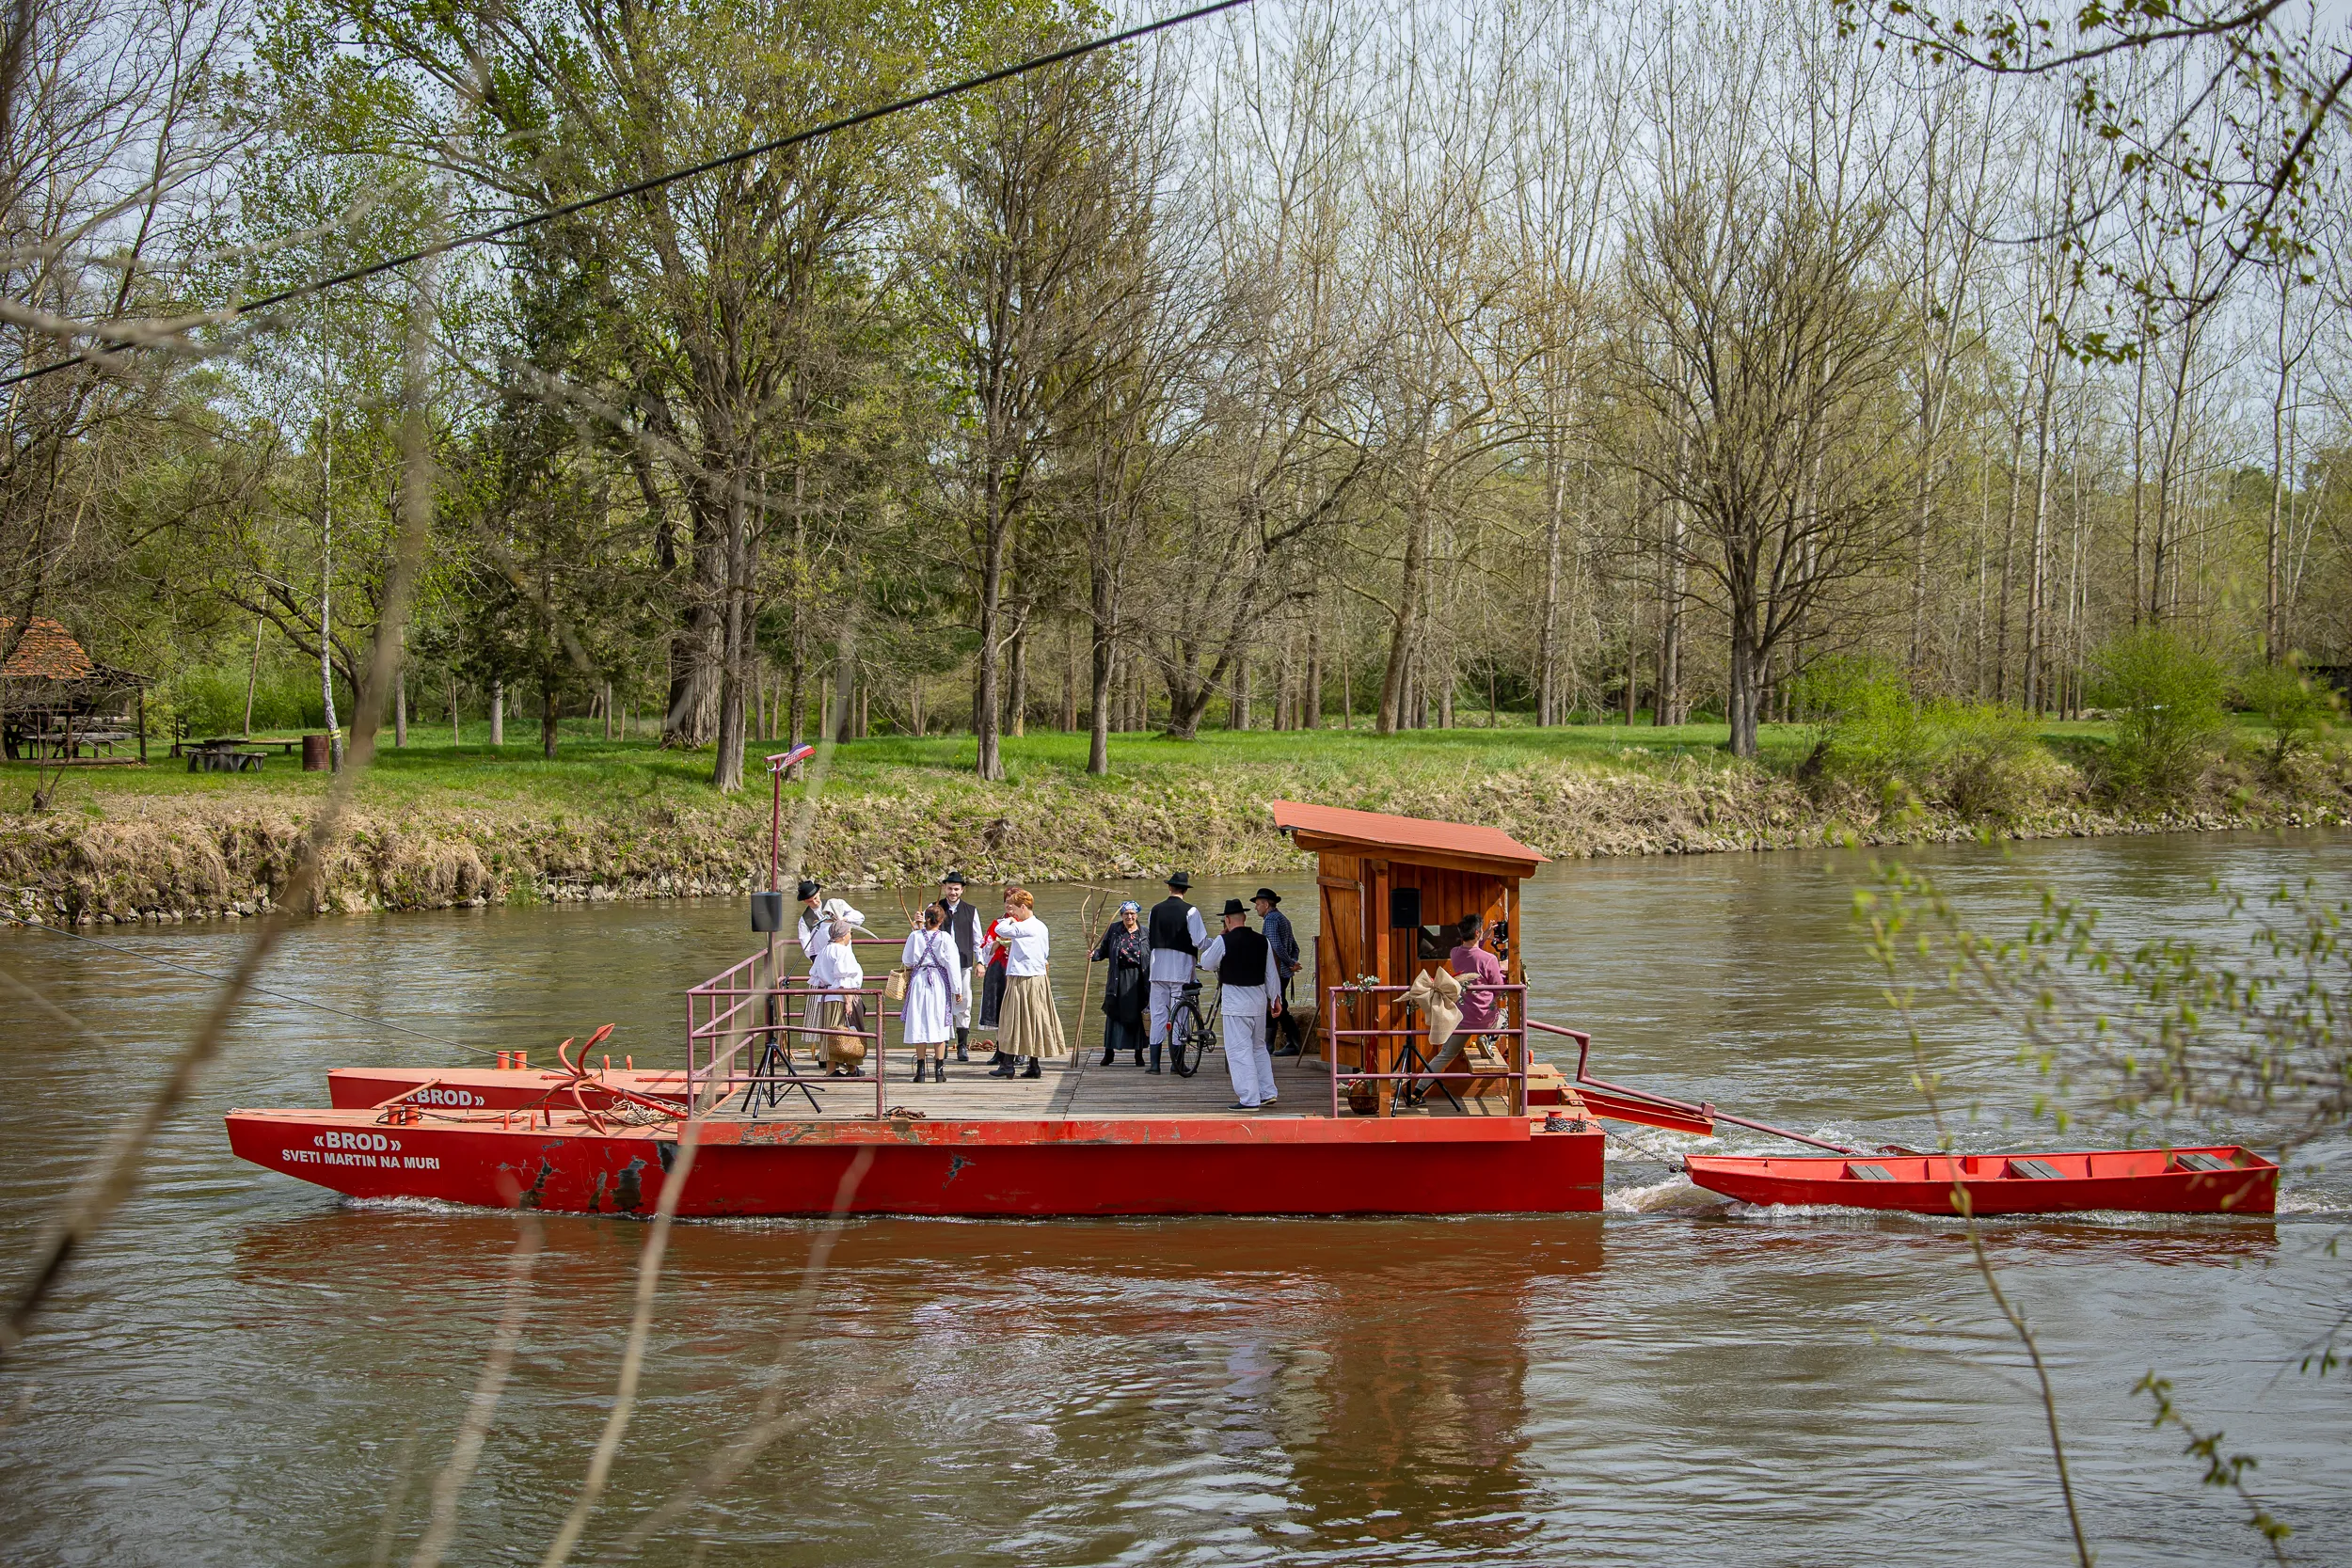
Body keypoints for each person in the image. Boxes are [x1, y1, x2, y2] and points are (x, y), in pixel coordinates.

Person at [1197, 898, 1279, 1110]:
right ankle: (1267, 1091)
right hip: (1259, 1002)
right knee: (1259, 1048)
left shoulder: (1224, 941)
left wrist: (1219, 939)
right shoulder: (1263, 941)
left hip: (1236, 1004)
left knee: (1239, 1051)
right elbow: (1271, 973)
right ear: (1244, 918)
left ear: (1227, 920)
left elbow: (1206, 963)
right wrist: (1276, 998)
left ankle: (1249, 1098)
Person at [989, 887, 1066, 1080]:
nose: (1011, 912)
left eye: (1013, 908)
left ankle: (1008, 1064)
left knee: (1012, 1019)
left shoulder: (1024, 926)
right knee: (1034, 1021)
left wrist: (1010, 919)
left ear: (1023, 907)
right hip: (1038, 977)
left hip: (1022, 978)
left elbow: (999, 928)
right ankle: (1033, 1065)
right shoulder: (1041, 926)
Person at [1145, 872, 1207, 1074]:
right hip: (1180, 970)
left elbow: (1151, 936)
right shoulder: (1191, 911)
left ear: (1169, 888)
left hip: (1157, 970)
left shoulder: (1154, 910)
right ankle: (1177, 1063)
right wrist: (1219, 944)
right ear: (1185, 890)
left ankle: (1154, 1065)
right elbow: (1200, 941)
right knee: (1180, 1016)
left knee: (1158, 1015)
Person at [901, 903, 968, 1083]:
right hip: (938, 981)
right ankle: (939, 1071)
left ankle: (921, 1071)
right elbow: (953, 966)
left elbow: (906, 960)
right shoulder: (945, 938)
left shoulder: (914, 936)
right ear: (941, 921)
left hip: (918, 980)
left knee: (919, 1020)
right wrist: (957, 990)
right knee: (939, 1021)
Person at [1090, 901, 1150, 1066]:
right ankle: (1109, 1053)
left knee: (1138, 1015)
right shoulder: (1114, 930)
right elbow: (1103, 952)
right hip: (1118, 978)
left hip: (1138, 980)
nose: (1129, 917)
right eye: (1126, 914)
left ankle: (1139, 1055)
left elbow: (1152, 956)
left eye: (1132, 914)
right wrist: (1093, 955)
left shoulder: (1145, 933)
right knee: (1113, 1013)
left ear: (1137, 915)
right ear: (1121, 915)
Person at [806, 917, 867, 1075]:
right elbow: (844, 979)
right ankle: (852, 1068)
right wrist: (848, 1000)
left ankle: (831, 1069)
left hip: (827, 997)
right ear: (843, 934)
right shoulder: (842, 951)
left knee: (830, 1033)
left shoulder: (824, 951)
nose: (850, 936)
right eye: (850, 933)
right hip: (841, 997)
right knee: (848, 1031)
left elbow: (817, 977)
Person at [936, 870, 982, 1063]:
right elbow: (924, 932)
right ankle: (943, 1043)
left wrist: (980, 961)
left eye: (956, 889)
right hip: (940, 965)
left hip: (964, 963)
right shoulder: (935, 908)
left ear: (962, 890)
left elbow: (977, 939)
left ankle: (962, 1046)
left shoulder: (970, 910)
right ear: (944, 888)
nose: (952, 892)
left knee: (964, 1003)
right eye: (949, 888)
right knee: (942, 1004)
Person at [1253, 888, 1303, 1055]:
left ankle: (1280, 1044)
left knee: (1275, 1006)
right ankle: (1286, 1043)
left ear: (1266, 905)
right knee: (1278, 1005)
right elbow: (1295, 946)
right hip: (1284, 971)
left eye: (1258, 904)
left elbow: (1275, 945)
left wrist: (1289, 963)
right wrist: (1293, 962)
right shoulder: (1283, 918)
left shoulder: (1271, 919)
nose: (1256, 908)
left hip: (1276, 971)